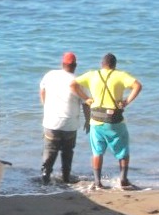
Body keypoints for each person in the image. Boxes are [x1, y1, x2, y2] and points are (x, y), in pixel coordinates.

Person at [71, 53, 142, 190]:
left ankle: (98, 182)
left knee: (97, 152)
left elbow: (73, 84)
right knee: (123, 151)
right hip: (115, 120)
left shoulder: (92, 75)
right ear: (114, 65)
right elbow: (138, 86)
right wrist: (126, 101)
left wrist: (86, 98)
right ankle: (123, 180)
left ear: (101, 64)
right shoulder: (120, 76)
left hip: (96, 120)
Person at [39, 52, 90, 184]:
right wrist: (88, 121)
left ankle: (45, 176)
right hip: (70, 124)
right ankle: (66, 177)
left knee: (50, 149)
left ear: (62, 64)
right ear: (75, 65)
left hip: (51, 122)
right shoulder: (79, 82)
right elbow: (86, 104)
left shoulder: (50, 75)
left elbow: (42, 91)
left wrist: (46, 107)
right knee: (68, 151)